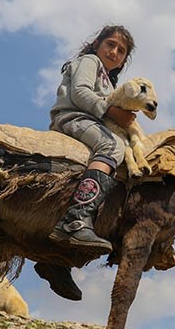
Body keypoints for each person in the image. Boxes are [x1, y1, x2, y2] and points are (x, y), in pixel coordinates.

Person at [47, 24, 137, 255]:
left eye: (121, 50)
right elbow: (80, 92)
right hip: (73, 117)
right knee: (112, 145)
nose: (114, 52)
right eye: (110, 44)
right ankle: (76, 219)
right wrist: (112, 112)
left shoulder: (110, 83)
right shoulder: (90, 61)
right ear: (97, 44)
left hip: (92, 122)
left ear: (123, 60)